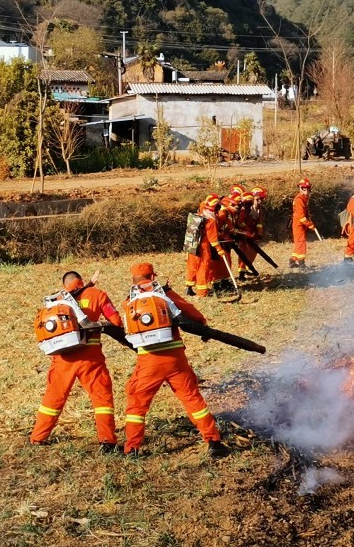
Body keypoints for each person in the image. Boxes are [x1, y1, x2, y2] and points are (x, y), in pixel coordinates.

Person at [122, 262, 229, 458]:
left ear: (133, 280)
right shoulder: (165, 294)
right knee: (192, 399)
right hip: (175, 360)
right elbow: (191, 312)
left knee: (137, 405)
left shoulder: (130, 300)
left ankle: (132, 449)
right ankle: (214, 441)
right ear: (153, 276)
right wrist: (203, 326)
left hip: (148, 361)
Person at [30, 271, 123, 454]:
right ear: (81, 281)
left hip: (63, 358)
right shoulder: (97, 295)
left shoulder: (56, 301)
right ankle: (107, 441)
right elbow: (116, 322)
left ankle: (37, 437)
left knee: (53, 399)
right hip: (91, 358)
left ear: (66, 285)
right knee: (101, 399)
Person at [185, 194, 225, 297]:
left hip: (193, 245)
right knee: (203, 268)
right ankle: (202, 292)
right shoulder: (211, 220)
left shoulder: (200, 214)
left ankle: (188, 288)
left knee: (192, 266)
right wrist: (219, 250)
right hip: (203, 247)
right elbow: (213, 239)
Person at [236, 188, 266, 281]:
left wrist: (259, 232)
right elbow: (240, 222)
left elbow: (259, 221)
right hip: (244, 233)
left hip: (253, 233)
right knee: (243, 252)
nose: (260, 201)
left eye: (262, 199)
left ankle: (248, 267)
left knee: (253, 251)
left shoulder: (259, 208)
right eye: (258, 199)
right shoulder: (245, 208)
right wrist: (247, 232)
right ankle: (241, 272)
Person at [290, 178, 316, 268]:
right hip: (298, 224)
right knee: (301, 242)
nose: (306, 190)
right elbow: (301, 217)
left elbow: (305, 214)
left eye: (308, 188)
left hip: (300, 224)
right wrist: (310, 225)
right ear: (300, 188)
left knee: (298, 242)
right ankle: (301, 264)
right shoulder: (299, 199)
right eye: (304, 188)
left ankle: (292, 261)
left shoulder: (304, 198)